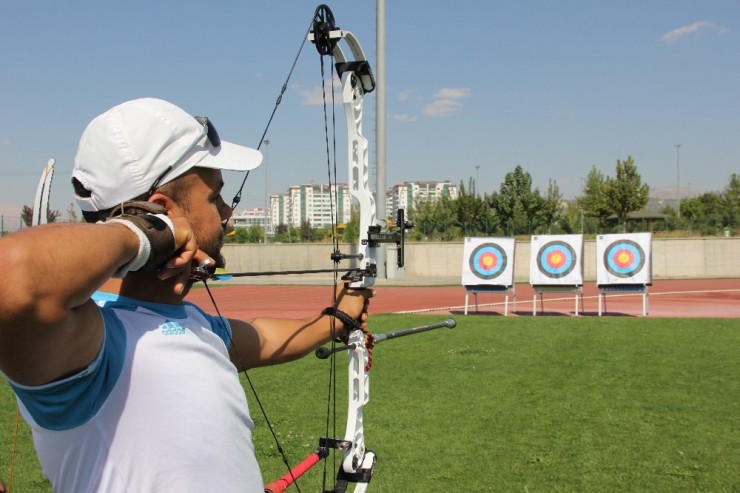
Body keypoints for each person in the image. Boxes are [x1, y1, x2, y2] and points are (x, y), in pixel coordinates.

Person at [0, 98, 372, 492]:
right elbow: (13, 279)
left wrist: (340, 316)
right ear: (163, 211)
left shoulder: (195, 323)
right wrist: (147, 232)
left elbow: (263, 338)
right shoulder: (87, 343)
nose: (228, 214)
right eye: (215, 198)